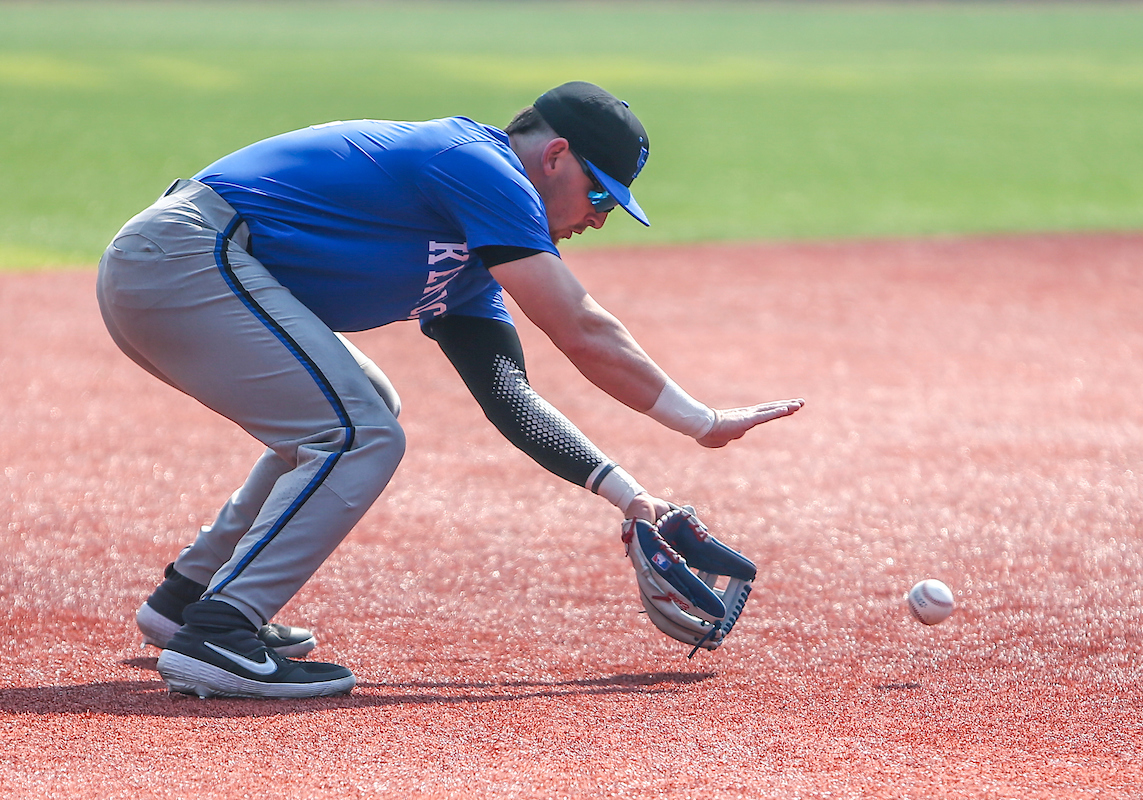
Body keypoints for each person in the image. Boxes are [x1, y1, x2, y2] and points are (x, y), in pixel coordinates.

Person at [96, 81, 803, 699]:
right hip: (182, 257)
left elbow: (510, 398)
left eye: (611, 208)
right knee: (357, 433)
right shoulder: (477, 164)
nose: (597, 217)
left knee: (365, 412)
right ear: (553, 154)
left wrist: (629, 496)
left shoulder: (476, 252)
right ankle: (220, 635)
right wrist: (699, 420)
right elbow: (582, 331)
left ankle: (189, 602)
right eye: (598, 193)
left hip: (191, 269)